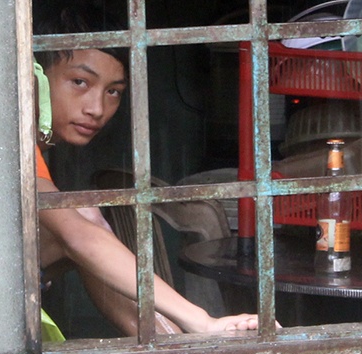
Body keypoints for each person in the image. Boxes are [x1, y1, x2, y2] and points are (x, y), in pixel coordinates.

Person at [35, 36, 260, 337]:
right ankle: (180, 344)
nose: (97, 108)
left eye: (113, 91)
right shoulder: (14, 140)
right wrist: (202, 320)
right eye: (80, 82)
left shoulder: (40, 144)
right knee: (81, 215)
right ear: (36, 78)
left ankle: (170, 345)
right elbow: (79, 235)